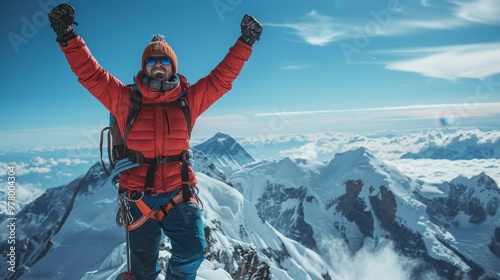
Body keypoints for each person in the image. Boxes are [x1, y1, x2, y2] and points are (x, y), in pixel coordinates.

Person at [48, 3, 262, 280]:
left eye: (163, 61)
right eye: (151, 61)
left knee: (194, 251)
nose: (157, 65)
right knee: (142, 271)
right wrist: (67, 37)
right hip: (138, 193)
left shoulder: (189, 100)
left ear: (173, 66)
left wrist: (245, 43)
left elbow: (221, 79)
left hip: (179, 189)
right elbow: (91, 74)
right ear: (144, 68)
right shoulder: (125, 100)